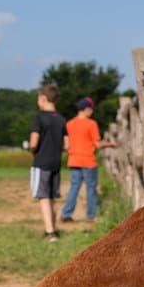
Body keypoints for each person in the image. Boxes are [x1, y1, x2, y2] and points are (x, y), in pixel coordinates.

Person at [59, 96, 116, 223]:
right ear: (86, 109)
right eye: (91, 109)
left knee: (74, 187)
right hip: (88, 161)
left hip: (73, 160)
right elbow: (98, 145)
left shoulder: (69, 124)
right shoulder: (91, 124)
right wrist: (110, 144)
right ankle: (91, 217)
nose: (92, 111)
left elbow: (66, 144)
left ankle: (65, 214)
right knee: (91, 188)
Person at [29, 83, 67, 241]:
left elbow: (33, 143)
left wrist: (33, 152)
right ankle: (52, 229)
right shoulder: (61, 120)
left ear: (43, 98)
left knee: (43, 197)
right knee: (51, 197)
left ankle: (50, 232)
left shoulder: (38, 118)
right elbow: (67, 145)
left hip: (41, 162)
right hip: (56, 163)